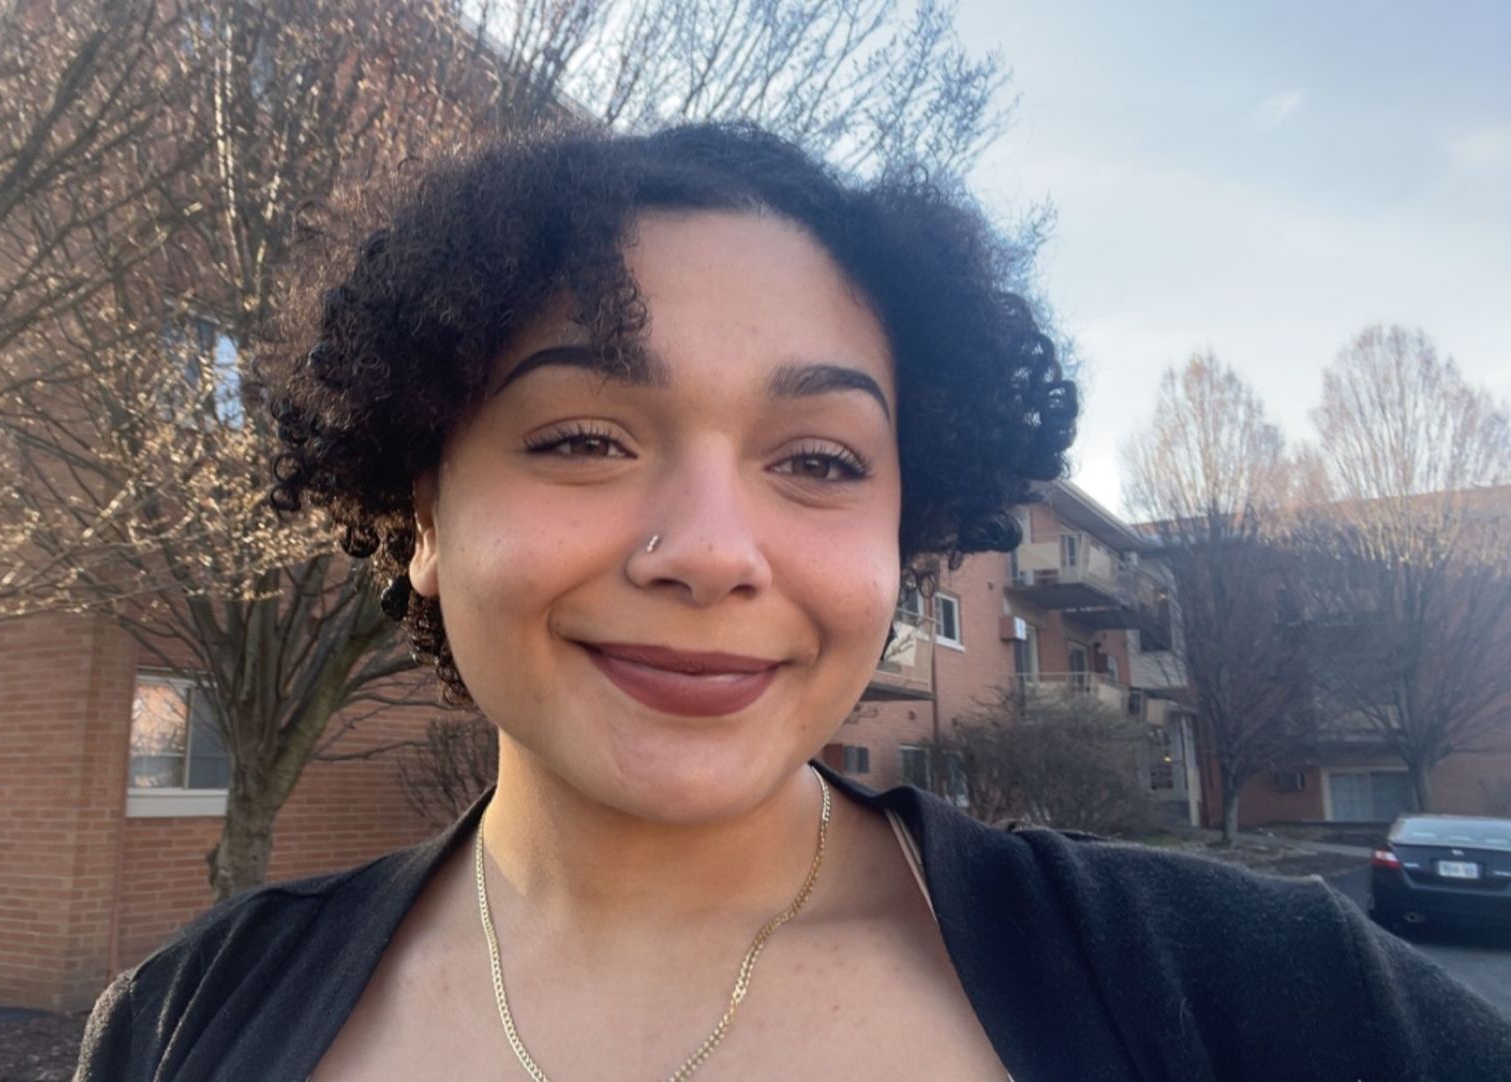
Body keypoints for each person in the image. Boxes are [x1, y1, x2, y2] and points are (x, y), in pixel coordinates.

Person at [75, 123, 1511, 1081]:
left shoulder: (1260, 1001)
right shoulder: (180, 1025)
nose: (712, 550)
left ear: (906, 526)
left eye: (818, 459)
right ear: (421, 516)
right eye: (582, 438)